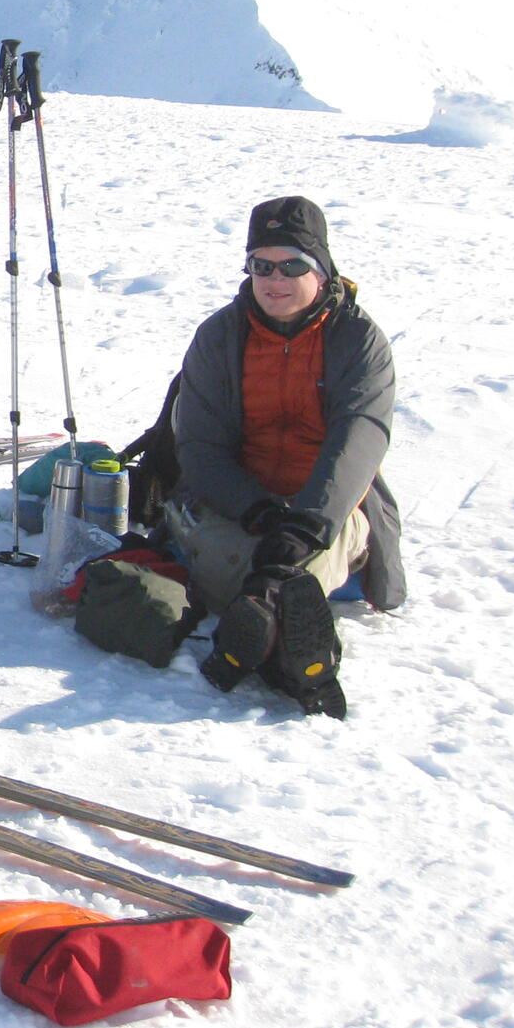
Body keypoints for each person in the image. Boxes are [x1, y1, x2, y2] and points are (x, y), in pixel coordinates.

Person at [163, 195, 401, 718]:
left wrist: (306, 525)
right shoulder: (219, 337)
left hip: (327, 507)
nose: (274, 279)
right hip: (237, 503)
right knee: (235, 562)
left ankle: (257, 633)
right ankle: (292, 651)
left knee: (301, 560)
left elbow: (359, 439)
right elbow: (199, 447)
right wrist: (257, 510)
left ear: (321, 269)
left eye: (292, 266)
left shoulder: (359, 340)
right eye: (260, 266)